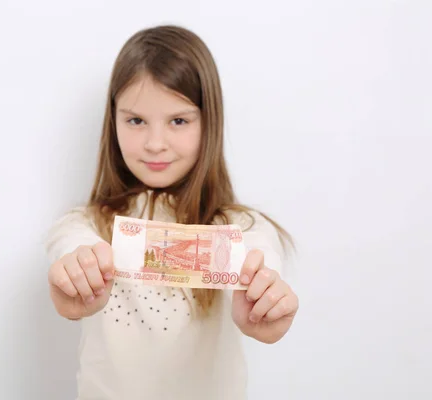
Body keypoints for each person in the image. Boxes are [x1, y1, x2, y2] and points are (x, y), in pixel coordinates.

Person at [45, 24, 299, 400]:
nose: (155, 143)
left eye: (178, 121)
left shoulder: (243, 229)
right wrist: (73, 278)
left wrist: (268, 305)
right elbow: (70, 247)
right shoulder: (86, 227)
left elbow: (262, 262)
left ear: (208, 121)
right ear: (112, 120)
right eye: (136, 121)